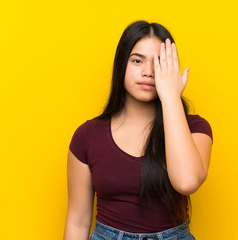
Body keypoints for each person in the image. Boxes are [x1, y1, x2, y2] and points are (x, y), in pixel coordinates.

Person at [63, 20, 213, 240]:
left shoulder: (195, 128)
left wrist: (170, 96)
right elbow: (77, 222)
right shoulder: (87, 136)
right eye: (137, 61)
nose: (148, 72)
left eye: (159, 63)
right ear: (121, 64)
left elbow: (187, 182)